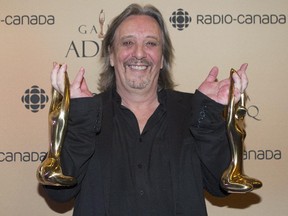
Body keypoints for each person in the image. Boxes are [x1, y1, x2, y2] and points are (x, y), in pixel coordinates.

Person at [44, 3, 248, 216]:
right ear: (111, 56)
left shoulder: (195, 112)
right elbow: (58, 192)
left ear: (162, 58)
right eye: (128, 42)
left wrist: (210, 114)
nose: (139, 53)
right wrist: (79, 119)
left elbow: (220, 185)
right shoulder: (85, 114)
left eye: (151, 43)